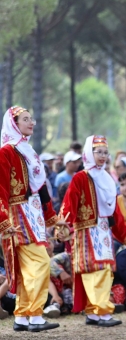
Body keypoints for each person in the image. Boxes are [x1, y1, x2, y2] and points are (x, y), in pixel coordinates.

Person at [59, 135, 126, 327]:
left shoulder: (108, 179)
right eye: (98, 152)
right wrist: (63, 226)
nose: (102, 156)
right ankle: (100, 311)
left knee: (105, 270)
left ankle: (95, 313)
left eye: (105, 152)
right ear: (89, 153)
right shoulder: (80, 178)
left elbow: (114, 212)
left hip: (103, 231)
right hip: (86, 232)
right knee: (94, 271)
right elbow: (70, 205)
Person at [0, 106, 60, 332]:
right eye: (25, 119)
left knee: (29, 269)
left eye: (31, 119)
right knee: (42, 262)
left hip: (33, 213)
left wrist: (51, 218)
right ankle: (35, 314)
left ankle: (23, 317)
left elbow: (41, 187)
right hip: (18, 216)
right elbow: (1, 189)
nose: (31, 122)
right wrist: (4, 221)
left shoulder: (27, 150)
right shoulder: (6, 151)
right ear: (14, 123)